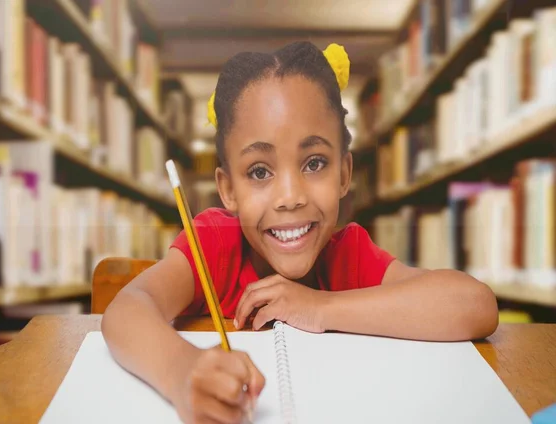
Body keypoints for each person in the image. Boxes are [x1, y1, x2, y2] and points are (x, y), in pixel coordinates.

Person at [101, 41, 499, 424]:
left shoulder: (349, 254)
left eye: (314, 163)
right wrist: (181, 372)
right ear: (228, 190)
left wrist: (317, 306)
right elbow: (128, 307)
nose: (290, 197)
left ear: (344, 174)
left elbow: (474, 305)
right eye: (259, 171)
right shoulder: (214, 243)